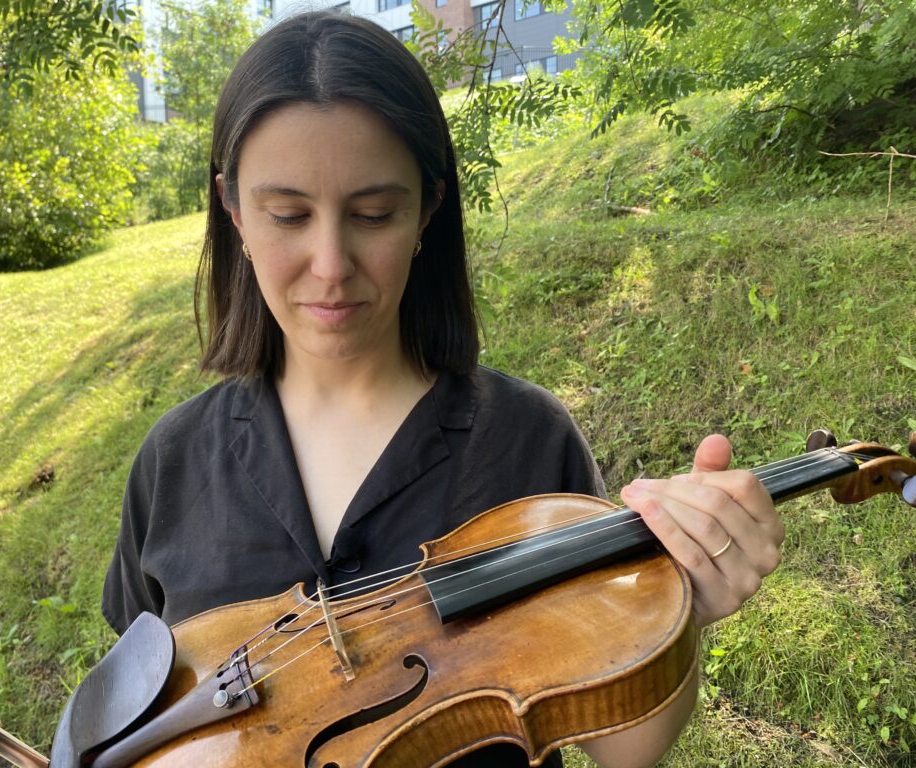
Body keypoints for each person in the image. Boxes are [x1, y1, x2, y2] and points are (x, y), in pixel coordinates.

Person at [102, 11, 784, 767]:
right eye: (288, 214)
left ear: (428, 207)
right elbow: (137, 714)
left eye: (373, 214)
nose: (331, 263)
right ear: (232, 209)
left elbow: (624, 749)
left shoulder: (527, 443)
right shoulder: (173, 462)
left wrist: (687, 608)